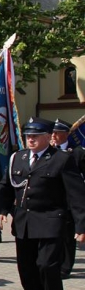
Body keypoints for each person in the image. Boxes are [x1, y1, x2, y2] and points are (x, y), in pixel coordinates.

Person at [0, 117, 85, 290]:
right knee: (26, 269)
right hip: (24, 223)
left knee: (47, 267)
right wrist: (1, 210)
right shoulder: (18, 158)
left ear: (48, 137)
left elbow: (76, 194)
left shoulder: (61, 159)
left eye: (36, 136)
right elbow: (6, 187)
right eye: (28, 135)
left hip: (50, 221)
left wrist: (81, 226)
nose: (31, 139)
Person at [50, 118, 85, 279]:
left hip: (70, 201)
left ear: (66, 134)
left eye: (57, 132)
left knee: (67, 236)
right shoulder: (49, 151)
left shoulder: (77, 152)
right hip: (52, 200)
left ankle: (65, 267)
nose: (54, 135)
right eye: (52, 132)